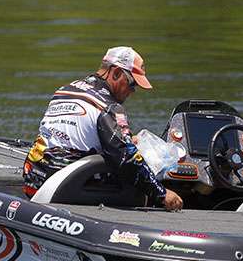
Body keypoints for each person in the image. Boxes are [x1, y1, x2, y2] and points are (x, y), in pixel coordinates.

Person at [23, 47, 184, 211]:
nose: (132, 91)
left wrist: (126, 139)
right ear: (116, 73)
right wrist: (161, 193)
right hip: (67, 189)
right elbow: (126, 158)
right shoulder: (109, 107)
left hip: (34, 180)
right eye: (132, 83)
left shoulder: (65, 90)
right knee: (139, 183)